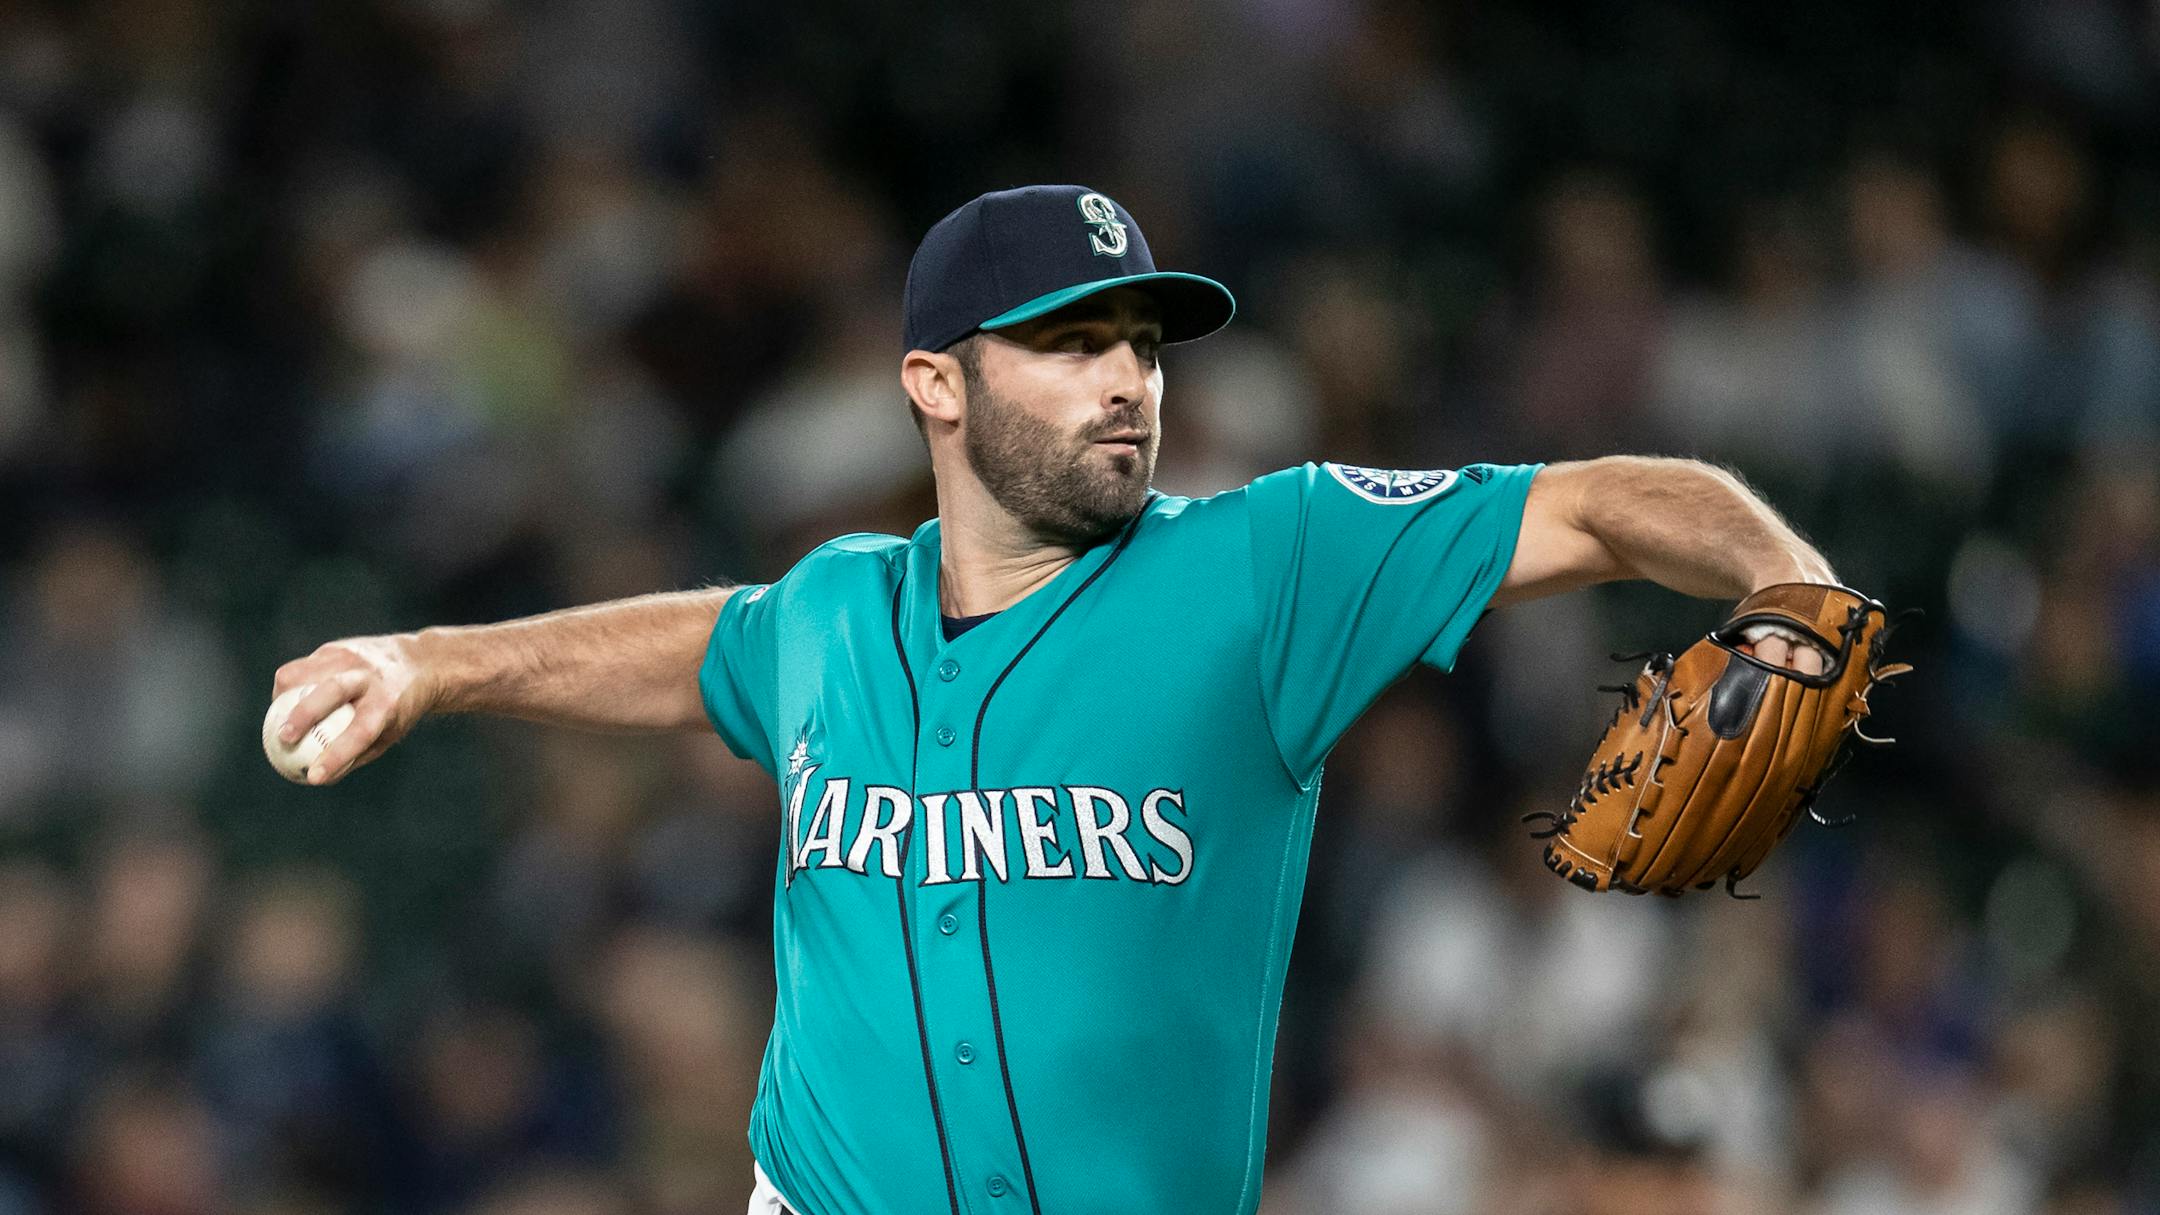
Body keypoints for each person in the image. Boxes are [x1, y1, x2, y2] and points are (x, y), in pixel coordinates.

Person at [272, 185, 1835, 1215]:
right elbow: (706, 649)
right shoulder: (832, 610)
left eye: (1143, 345)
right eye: (1071, 341)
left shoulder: (1264, 567)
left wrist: (1790, 597)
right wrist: (433, 666)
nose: (1127, 380)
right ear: (934, 385)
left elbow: (1607, 503)